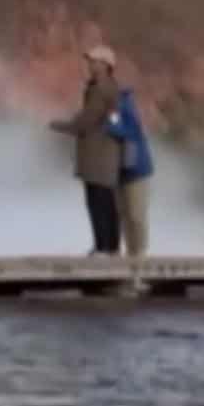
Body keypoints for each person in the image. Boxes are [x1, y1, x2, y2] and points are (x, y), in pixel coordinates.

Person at [49, 45, 123, 255]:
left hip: (98, 153)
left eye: (94, 61)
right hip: (103, 152)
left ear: (105, 65)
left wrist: (62, 127)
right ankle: (110, 247)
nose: (90, 65)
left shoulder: (101, 88)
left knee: (99, 201)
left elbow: (88, 119)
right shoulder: (107, 86)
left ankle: (104, 247)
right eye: (90, 61)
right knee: (105, 201)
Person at [109, 84, 154, 257]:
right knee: (122, 214)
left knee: (135, 214)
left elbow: (121, 131)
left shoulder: (123, 106)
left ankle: (139, 254)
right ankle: (129, 253)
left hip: (135, 169)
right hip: (116, 170)